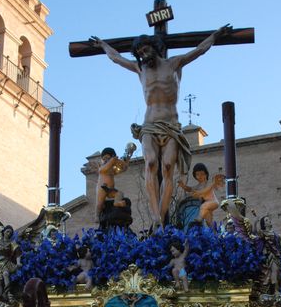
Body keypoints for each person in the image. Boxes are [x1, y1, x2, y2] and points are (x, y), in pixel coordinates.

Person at [90, 26, 230, 227]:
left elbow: (199, 49)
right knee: (151, 163)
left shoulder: (174, 63)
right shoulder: (140, 69)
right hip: (149, 125)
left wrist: (215, 36)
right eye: (139, 53)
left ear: (154, 47)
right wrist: (103, 45)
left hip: (171, 125)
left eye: (145, 50)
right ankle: (156, 215)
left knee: (166, 167)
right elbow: (116, 58)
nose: (142, 55)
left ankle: (162, 216)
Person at [95, 147, 130, 224]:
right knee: (100, 203)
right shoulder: (102, 168)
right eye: (104, 158)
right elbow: (105, 168)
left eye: (108, 158)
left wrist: (126, 160)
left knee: (119, 193)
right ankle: (97, 215)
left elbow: (123, 169)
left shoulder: (112, 170)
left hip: (110, 189)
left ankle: (116, 202)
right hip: (102, 188)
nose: (106, 160)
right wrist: (112, 160)